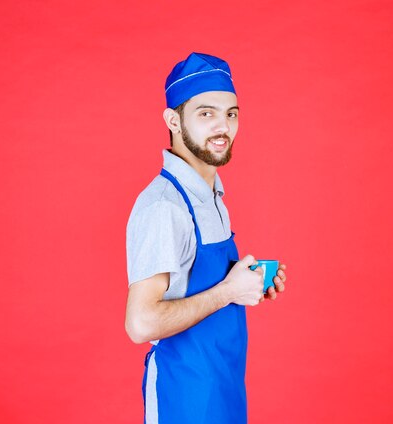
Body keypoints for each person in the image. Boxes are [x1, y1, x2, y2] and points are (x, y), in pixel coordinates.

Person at [125, 52, 287, 424]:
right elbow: (141, 324)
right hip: (184, 398)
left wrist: (248, 283)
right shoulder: (165, 206)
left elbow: (199, 286)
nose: (223, 127)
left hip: (224, 389)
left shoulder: (210, 194)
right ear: (173, 121)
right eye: (206, 113)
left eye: (231, 113)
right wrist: (228, 291)